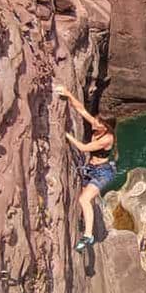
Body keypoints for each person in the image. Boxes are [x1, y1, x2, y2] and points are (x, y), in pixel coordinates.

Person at [55, 85, 122, 252]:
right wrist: (69, 94)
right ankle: (87, 222)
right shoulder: (99, 127)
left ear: (106, 126)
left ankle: (88, 235)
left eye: (99, 122)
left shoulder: (107, 138)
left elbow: (84, 148)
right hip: (91, 169)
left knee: (84, 200)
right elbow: (82, 110)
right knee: (86, 199)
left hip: (103, 173)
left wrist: (66, 135)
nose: (95, 122)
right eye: (97, 120)